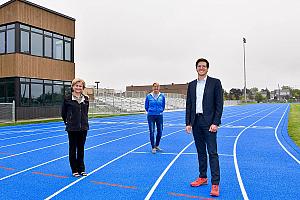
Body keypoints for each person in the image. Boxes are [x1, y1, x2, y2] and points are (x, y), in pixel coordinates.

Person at [185, 58, 223, 197]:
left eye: (204, 66)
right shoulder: (191, 84)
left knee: (212, 153)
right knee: (201, 152)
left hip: (209, 124)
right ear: (196, 68)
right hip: (196, 122)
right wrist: (188, 123)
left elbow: (219, 104)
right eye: (199, 66)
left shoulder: (215, 83)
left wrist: (216, 122)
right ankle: (202, 177)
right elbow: (189, 104)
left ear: (207, 68)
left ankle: (215, 184)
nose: (201, 68)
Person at [61, 78, 89, 177]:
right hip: (72, 128)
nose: (78, 87)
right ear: (73, 87)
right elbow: (63, 114)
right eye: (76, 85)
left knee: (81, 149)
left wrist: (84, 123)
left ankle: (82, 169)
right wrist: (68, 123)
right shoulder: (67, 99)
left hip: (83, 128)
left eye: (80, 86)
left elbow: (86, 113)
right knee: (73, 149)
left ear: (83, 88)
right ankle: (74, 170)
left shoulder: (86, 99)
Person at [145, 82, 166, 154]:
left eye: (157, 86)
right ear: (152, 88)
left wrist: (159, 111)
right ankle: (153, 147)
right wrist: (151, 111)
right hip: (151, 115)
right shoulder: (148, 96)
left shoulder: (162, 96)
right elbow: (146, 106)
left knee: (160, 131)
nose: (156, 88)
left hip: (159, 115)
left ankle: (157, 145)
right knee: (152, 131)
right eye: (154, 87)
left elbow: (163, 106)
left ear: (159, 88)